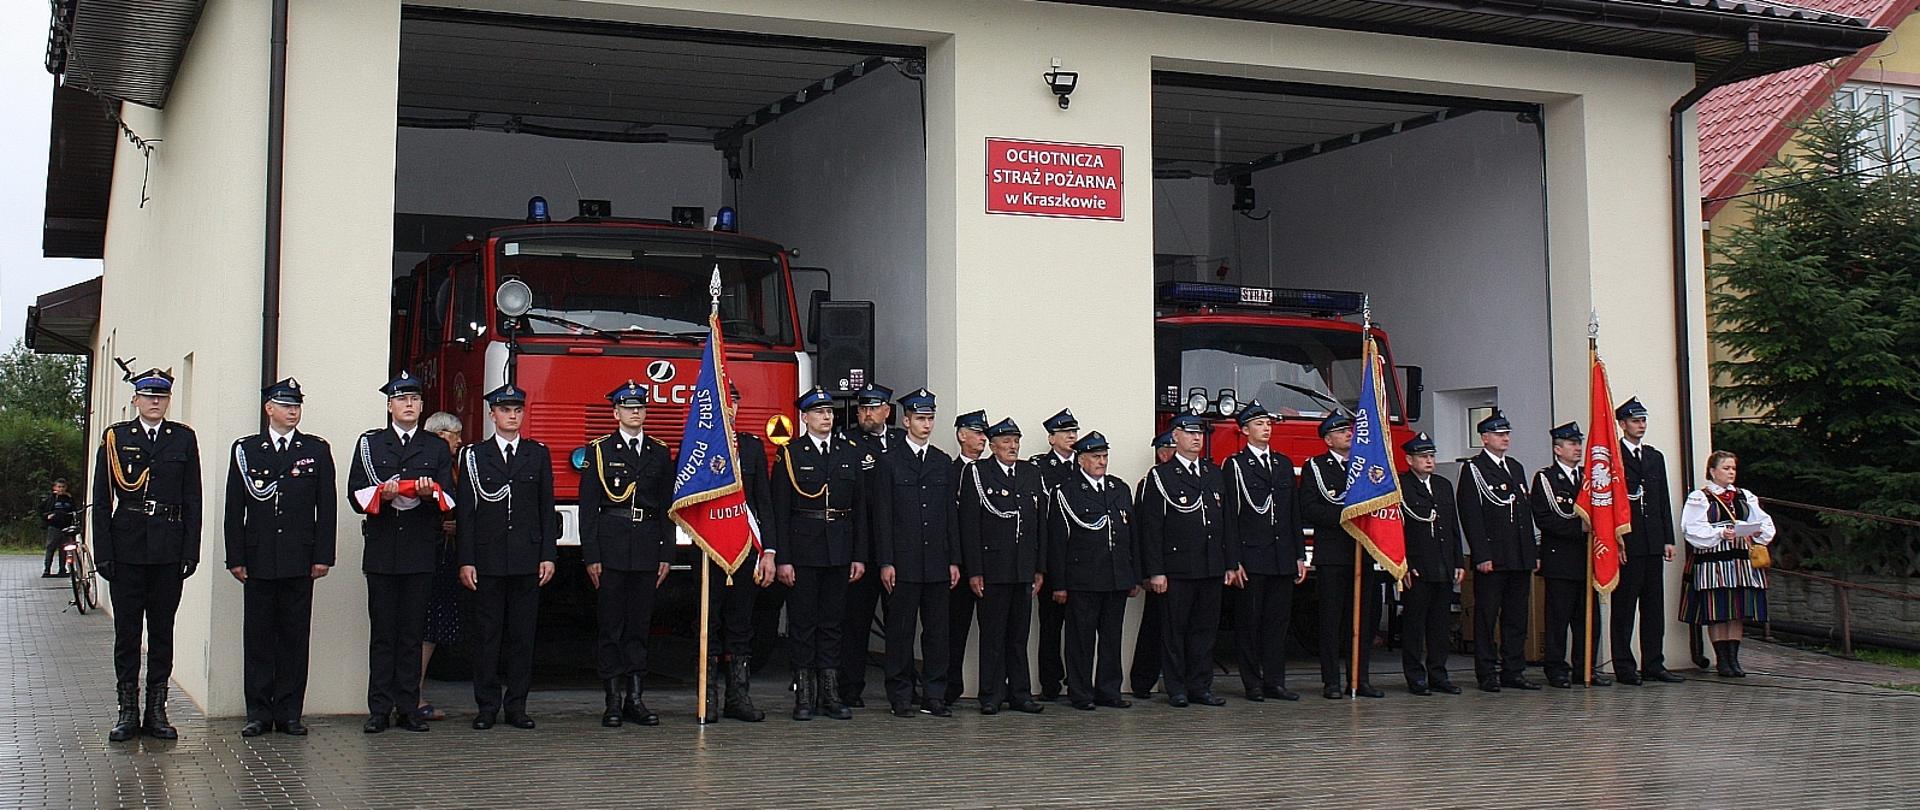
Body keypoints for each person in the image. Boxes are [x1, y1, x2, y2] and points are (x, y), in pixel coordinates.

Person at [92, 368, 201, 742]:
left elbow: (192, 498)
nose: (155, 402)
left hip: (168, 548)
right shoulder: (116, 438)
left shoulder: (183, 439)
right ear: (135, 399)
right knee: (126, 634)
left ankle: (157, 711)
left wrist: (191, 550)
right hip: (127, 548)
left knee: (162, 631)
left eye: (162, 396)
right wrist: (103, 553)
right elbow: (103, 499)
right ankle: (127, 711)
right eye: (148, 395)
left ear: (168, 400)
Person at [223, 378, 335, 737]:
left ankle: (289, 712)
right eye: (285, 405)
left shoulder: (316, 450)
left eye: (296, 406)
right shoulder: (247, 450)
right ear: (268, 409)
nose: (292, 411)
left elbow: (326, 507)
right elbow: (233, 508)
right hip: (258, 559)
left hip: (299, 559)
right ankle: (258, 712)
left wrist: (323, 556)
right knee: (258, 639)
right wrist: (235, 556)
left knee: (293, 638)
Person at [348, 370, 454, 734]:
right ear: (390, 405)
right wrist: (384, 494)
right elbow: (355, 494)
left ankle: (408, 708)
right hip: (381, 550)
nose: (409, 405)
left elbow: (450, 496)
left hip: (420, 550)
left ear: (422, 406)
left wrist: (430, 494)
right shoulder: (371, 445)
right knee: (383, 634)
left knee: (411, 633)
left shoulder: (435, 446)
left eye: (415, 400)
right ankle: (379, 709)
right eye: (402, 400)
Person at [456, 384, 559, 730]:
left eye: (517, 410)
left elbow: (547, 509)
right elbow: (466, 515)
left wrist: (548, 555)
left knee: (522, 635)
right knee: (486, 635)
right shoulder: (474, 455)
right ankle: (487, 706)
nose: (512, 416)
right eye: (505, 410)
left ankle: (517, 706)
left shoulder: (537, 454)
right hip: (486, 558)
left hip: (526, 558)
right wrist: (466, 560)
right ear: (492, 415)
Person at [772, 386, 871, 721]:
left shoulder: (848, 452)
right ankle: (805, 693)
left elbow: (859, 509)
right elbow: (780, 511)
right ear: (805, 417)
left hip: (839, 547)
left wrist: (859, 555)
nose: (826, 418)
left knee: (832, 622)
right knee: (803, 622)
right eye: (818, 412)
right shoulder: (791, 454)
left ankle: (829, 693)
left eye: (829, 412)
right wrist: (783, 557)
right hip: (803, 548)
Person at [577, 380, 672, 728]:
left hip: (647, 546)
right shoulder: (600, 450)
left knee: (639, 626)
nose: (636, 412)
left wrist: (667, 551)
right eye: (629, 407)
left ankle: (635, 697)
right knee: (611, 627)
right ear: (615, 413)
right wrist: (591, 556)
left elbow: (665, 507)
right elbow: (588, 509)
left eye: (640, 407)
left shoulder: (659, 452)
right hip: (612, 547)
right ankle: (612, 699)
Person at [872, 388, 961, 717]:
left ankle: (934, 693)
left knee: (938, 632)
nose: (926, 424)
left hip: (937, 560)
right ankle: (900, 694)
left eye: (930, 418)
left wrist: (954, 560)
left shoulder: (941, 461)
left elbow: (950, 515)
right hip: (904, 561)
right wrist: (886, 561)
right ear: (906, 421)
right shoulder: (890, 461)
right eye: (920, 418)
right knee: (900, 632)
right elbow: (883, 516)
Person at [1139, 413, 1237, 707]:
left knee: (1204, 631)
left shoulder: (1213, 472)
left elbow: (1228, 521)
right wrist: (1156, 571)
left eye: (1200, 434)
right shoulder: (1162, 476)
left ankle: (1201, 686)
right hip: (1178, 567)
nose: (1197, 439)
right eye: (1190, 433)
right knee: (1175, 631)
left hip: (1210, 566)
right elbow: (1152, 528)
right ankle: (1177, 687)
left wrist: (1230, 562)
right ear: (1176, 437)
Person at [1042, 431, 1139, 711]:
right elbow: (1058, 542)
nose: (1102, 462)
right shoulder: (1066, 492)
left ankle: (1109, 690)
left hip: (1115, 576)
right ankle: (1081, 692)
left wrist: (1132, 575)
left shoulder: (1118, 489)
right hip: (1083, 578)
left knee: (1111, 637)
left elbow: (1129, 535)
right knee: (1080, 639)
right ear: (1081, 460)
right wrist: (1059, 584)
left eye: (1105, 456)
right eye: (1096, 457)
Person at [958, 417, 1045, 715]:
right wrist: (975, 571)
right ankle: (991, 694)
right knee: (993, 634)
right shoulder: (978, 473)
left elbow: (1039, 525)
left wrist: (1039, 568)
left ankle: (1020, 693)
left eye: (1016, 441)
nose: (1013, 446)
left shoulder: (1031, 473)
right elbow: (970, 526)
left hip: (1023, 567)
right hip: (993, 568)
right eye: (1006, 441)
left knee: (1018, 635)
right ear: (992, 445)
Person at [1220, 402, 1306, 702]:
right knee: (1250, 623)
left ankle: (1275, 681)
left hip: (1281, 556)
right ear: (1244, 431)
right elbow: (1229, 515)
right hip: (1252, 555)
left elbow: (1292, 513)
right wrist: (1233, 560)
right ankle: (1252, 683)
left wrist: (1299, 555)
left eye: (1268, 423)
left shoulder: (1281, 463)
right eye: (1259, 424)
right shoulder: (1235, 465)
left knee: (1277, 624)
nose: (1266, 428)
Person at [704, 383, 778, 723]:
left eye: (732, 401)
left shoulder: (750, 447)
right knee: (709, 623)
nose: (728, 407)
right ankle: (708, 697)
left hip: (746, 550)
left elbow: (763, 501)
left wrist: (770, 552)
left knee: (741, 625)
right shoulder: (699, 448)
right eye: (722, 401)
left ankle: (738, 696)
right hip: (709, 550)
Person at [1456, 409, 1540, 692]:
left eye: (1507, 434)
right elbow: (1471, 515)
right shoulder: (1473, 469)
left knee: (1517, 616)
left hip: (1518, 555)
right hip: (1493, 555)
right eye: (1499, 434)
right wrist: (1480, 555)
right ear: (1484, 438)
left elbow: (1523, 513)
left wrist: (1532, 553)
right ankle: (1486, 671)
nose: (1505, 439)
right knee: (1487, 616)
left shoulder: (1515, 467)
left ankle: (1513, 669)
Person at [1303, 412, 1384, 699]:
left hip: (1363, 551)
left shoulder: (1365, 467)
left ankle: (1360, 678)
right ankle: (1332, 682)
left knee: (1361, 621)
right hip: (1333, 554)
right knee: (1331, 620)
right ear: (1328, 439)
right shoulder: (1316, 467)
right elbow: (1310, 508)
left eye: (1348, 430)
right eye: (1340, 431)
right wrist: (1346, 515)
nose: (1348, 434)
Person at [1531, 422, 1611, 689]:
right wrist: (1579, 527)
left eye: (1579, 443)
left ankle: (1585, 667)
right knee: (1558, 619)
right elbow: (1545, 517)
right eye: (1571, 444)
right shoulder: (1546, 479)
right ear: (1557, 449)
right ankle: (1556, 668)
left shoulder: (1589, 478)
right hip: (1561, 559)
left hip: (1588, 559)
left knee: (1588, 619)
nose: (1578, 448)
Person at [1681, 451, 1775, 677]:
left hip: (1740, 561)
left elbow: (1764, 523)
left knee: (1737, 610)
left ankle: (1734, 659)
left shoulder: (1744, 496)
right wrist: (1721, 533)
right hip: (1714, 561)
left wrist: (1755, 530)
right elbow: (1692, 529)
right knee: (1717, 610)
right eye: (1726, 468)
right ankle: (1722, 659)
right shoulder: (1699, 497)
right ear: (1712, 471)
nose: (1731, 472)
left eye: (1733, 468)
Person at [1611, 397, 1685, 685]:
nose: (1641, 425)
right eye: (1635, 421)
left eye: (1643, 420)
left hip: (1653, 541)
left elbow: (1661, 500)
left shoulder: (1654, 457)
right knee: (1625, 607)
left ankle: (1653, 662)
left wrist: (1668, 538)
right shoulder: (1614, 456)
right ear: (1622, 424)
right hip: (1628, 543)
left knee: (1653, 608)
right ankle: (1624, 666)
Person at [841, 383, 902, 707]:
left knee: (899, 622)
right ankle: (850, 688)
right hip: (863, 545)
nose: (866, 413)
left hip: (894, 545)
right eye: (863, 408)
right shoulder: (847, 442)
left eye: (872, 408)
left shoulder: (899, 442)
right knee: (856, 621)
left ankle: (900, 689)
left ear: (886, 412)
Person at [1398, 433, 1462, 695]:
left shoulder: (1443, 485)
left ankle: (1438, 674)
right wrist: (1405, 563)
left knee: (1439, 624)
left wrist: (1457, 560)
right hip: (1418, 566)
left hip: (1443, 563)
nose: (1429, 461)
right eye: (1424, 456)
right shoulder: (1401, 486)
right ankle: (1415, 676)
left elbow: (1452, 526)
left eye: (1432, 456)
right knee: (1414, 624)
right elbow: (1399, 530)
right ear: (1409, 459)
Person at [415, 411, 467, 723]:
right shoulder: (430, 464)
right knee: (424, 628)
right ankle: (414, 694)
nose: (460, 440)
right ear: (439, 435)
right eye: (454, 434)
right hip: (429, 552)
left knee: (431, 629)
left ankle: (415, 691)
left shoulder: (454, 466)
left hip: (446, 554)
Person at [1030, 407, 1079, 701]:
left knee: (1079, 626)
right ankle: (1050, 682)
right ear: (1051, 438)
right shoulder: (1039, 467)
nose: (1072, 437)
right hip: (1052, 555)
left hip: (1080, 557)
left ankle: (1076, 681)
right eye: (1065, 433)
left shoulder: (1082, 464)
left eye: (1074, 432)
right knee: (1050, 626)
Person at [942, 408, 990, 707]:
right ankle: (948, 685)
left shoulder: (989, 472)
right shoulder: (949, 471)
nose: (983, 439)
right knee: (952, 630)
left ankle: (992, 689)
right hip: (958, 564)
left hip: (988, 563)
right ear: (961, 435)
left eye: (985, 434)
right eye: (977, 433)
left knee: (993, 631)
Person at [1129, 430, 1177, 699]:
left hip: (1179, 567)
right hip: (1159, 568)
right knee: (1154, 625)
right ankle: (1143, 680)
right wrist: (1146, 572)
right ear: (1162, 453)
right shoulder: (1151, 482)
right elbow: (1145, 530)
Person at [41, 478, 77, 577]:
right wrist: (48, 516)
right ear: (55, 487)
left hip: (66, 527)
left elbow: (74, 510)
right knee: (51, 548)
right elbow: (41, 510)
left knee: (64, 549)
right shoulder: (51, 498)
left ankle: (62, 569)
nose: (61, 489)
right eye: (59, 487)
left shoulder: (69, 498)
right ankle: (47, 570)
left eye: (63, 487)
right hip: (54, 527)